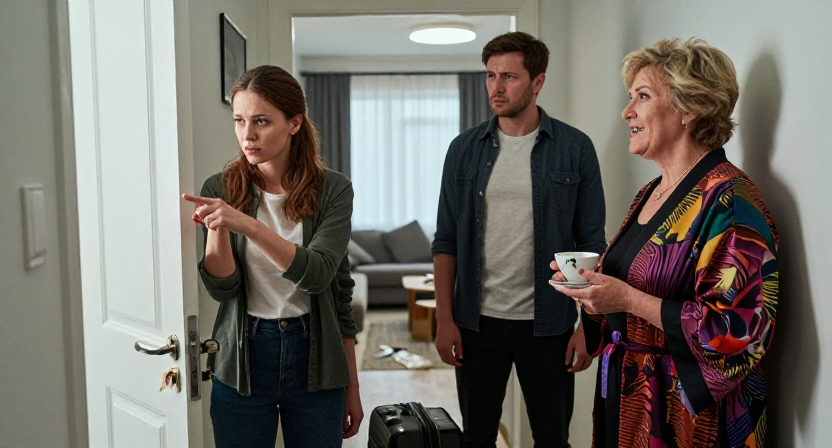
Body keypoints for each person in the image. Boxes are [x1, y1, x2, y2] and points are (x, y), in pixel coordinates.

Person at [551, 38, 779, 447]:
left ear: (689, 108)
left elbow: (740, 333)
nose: (627, 111)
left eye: (642, 96)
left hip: (688, 417)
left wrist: (627, 299)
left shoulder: (730, 201)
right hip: (631, 400)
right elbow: (631, 287)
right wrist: (592, 289)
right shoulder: (651, 192)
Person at [433, 31, 607, 447]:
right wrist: (444, 318)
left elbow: (591, 243)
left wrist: (588, 326)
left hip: (549, 324)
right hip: (476, 323)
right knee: (476, 438)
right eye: (491, 75)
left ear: (538, 81)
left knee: (552, 438)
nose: (497, 87)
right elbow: (446, 240)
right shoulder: (463, 150)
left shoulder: (575, 148)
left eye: (509, 77)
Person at [182, 65, 363, 447]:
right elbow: (222, 289)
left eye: (261, 121)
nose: (247, 134)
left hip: (316, 357)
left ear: (294, 123)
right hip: (243, 357)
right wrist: (219, 229)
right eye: (239, 120)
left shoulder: (333, 190)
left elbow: (325, 280)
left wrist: (352, 387)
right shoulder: (219, 188)